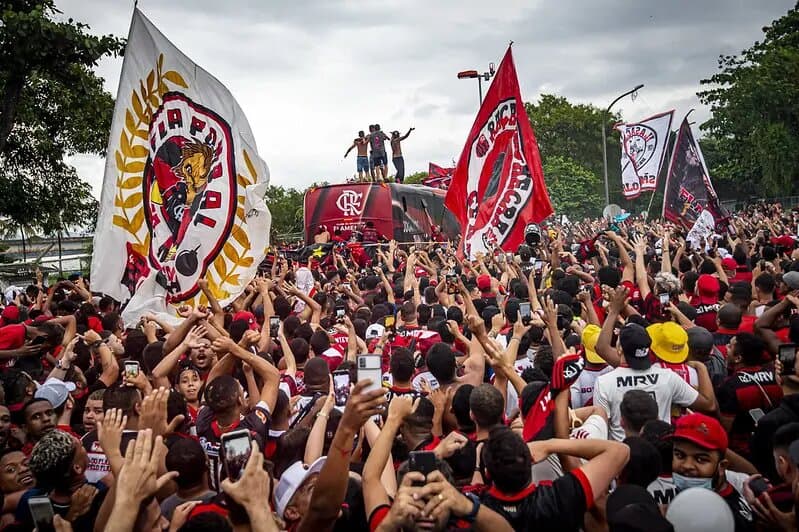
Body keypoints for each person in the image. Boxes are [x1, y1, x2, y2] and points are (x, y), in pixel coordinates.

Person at [670, 413, 755, 531]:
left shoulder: (725, 517)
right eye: (679, 455)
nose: (686, 465)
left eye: (701, 459)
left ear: (722, 466)